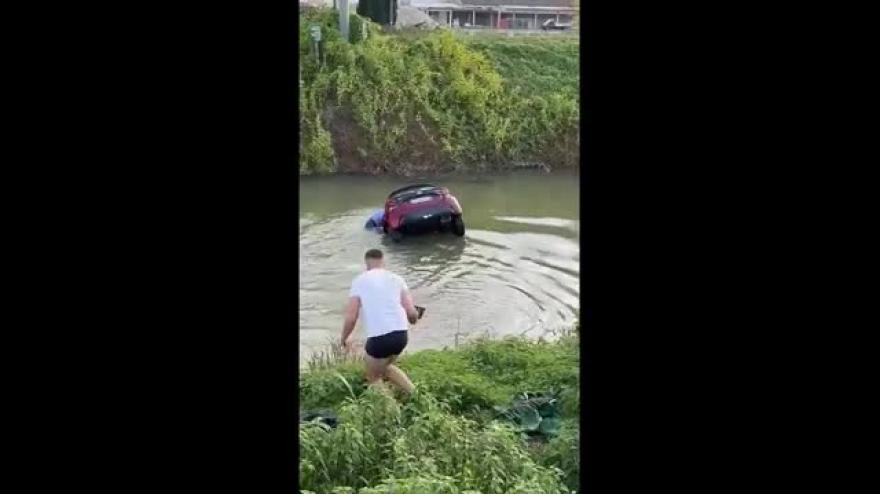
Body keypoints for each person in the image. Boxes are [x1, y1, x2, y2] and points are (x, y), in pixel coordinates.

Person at [341, 248, 418, 394]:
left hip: (379, 338)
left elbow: (351, 317)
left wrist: (344, 338)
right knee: (385, 368)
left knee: (373, 376)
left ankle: (392, 413)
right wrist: (414, 317)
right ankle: (416, 396)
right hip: (401, 336)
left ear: (366, 264)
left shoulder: (360, 280)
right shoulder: (397, 279)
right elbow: (412, 313)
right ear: (383, 261)